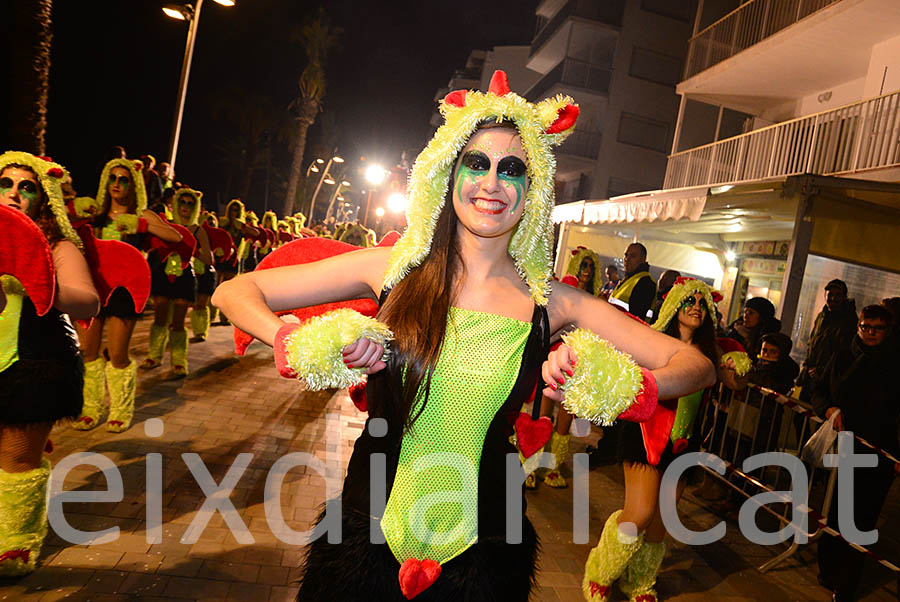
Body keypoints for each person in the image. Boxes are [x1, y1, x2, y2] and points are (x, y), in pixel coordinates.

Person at [212, 72, 714, 601]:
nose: (492, 183)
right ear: (448, 175)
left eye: (512, 168)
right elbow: (236, 292)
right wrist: (294, 341)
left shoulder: (555, 302)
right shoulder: (391, 269)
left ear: (534, 188)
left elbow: (693, 365)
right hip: (364, 538)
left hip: (487, 555)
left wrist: (619, 386)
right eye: (477, 163)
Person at [584, 277, 744, 602]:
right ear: (675, 305)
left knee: (660, 522)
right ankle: (601, 573)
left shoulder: (712, 352)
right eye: (690, 302)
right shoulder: (653, 341)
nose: (697, 308)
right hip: (645, 437)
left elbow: (736, 382)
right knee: (640, 512)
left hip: (683, 444)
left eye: (702, 304)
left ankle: (640, 583)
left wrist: (738, 367)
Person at [0, 151, 100, 575]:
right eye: (6, 183)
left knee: (16, 461)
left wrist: (36, 277)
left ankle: (14, 544)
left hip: (35, 366)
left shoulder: (57, 245)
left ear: (44, 199)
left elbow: (89, 300)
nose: (15, 194)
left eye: (27, 187)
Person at [73, 158, 180, 432]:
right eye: (112, 178)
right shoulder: (93, 212)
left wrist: (141, 226)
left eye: (124, 180)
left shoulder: (143, 215)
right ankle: (90, 408)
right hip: (91, 288)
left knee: (118, 355)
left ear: (135, 186)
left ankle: (120, 410)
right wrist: (75, 209)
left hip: (123, 292)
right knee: (87, 352)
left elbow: (175, 238)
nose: (117, 184)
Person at [813, 305, 900, 602]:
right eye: (866, 326)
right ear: (858, 326)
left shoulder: (894, 363)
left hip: (880, 454)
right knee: (836, 510)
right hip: (843, 448)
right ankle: (828, 568)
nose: (871, 333)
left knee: (862, 518)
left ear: (888, 331)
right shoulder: (843, 354)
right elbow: (819, 390)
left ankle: (847, 584)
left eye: (877, 328)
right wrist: (829, 408)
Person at [141, 188, 209, 375]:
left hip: (185, 276)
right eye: (182, 202)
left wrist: (192, 250)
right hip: (163, 274)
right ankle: (154, 356)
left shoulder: (198, 230)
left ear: (195, 207)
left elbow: (210, 259)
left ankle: (179, 361)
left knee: (178, 322)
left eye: (190, 203)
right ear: (176, 204)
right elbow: (150, 247)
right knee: (160, 318)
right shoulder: (165, 225)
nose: (185, 206)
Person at [797, 279, 857, 400]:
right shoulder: (822, 316)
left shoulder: (849, 321)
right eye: (830, 294)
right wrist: (808, 365)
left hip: (827, 381)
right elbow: (813, 342)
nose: (833, 298)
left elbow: (842, 352)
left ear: (845, 297)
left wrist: (822, 371)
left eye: (838, 295)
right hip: (811, 375)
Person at [724, 296, 779, 361]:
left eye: (751, 313)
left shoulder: (766, 341)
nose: (745, 316)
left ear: (762, 318)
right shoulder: (735, 330)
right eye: (745, 312)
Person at [610, 242, 656, 321]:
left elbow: (635, 317)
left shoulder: (645, 283)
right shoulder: (628, 279)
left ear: (643, 258)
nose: (627, 259)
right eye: (626, 255)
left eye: (633, 256)